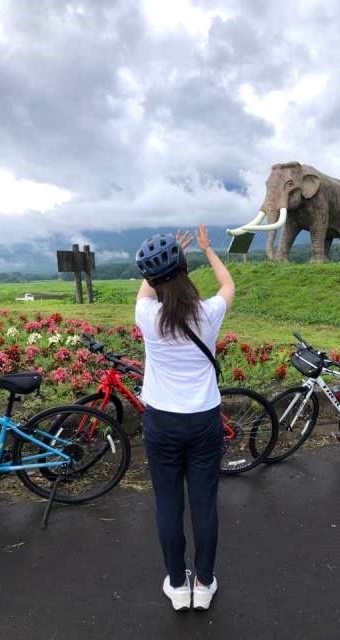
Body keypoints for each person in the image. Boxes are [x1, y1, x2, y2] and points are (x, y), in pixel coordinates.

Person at [135, 225, 235, 611]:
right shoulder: (208, 314)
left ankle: (178, 585)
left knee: (168, 504)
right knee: (205, 503)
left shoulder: (147, 314)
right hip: (204, 421)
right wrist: (207, 250)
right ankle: (205, 583)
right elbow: (228, 286)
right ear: (185, 270)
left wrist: (162, 263)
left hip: (162, 422)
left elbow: (147, 288)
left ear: (153, 278)